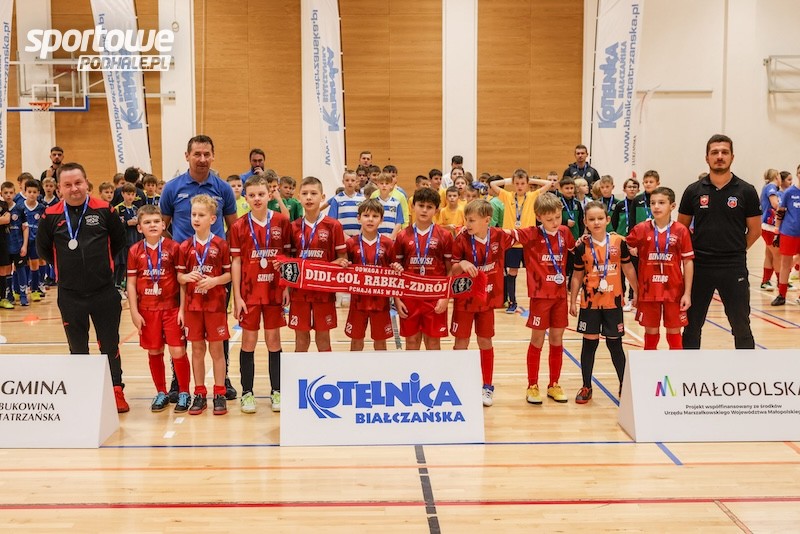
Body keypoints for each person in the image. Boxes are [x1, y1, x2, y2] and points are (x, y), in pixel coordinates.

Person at [36, 162, 129, 412]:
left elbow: (118, 241)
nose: (74, 188)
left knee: (109, 345)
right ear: (59, 188)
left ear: (87, 183)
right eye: (67, 185)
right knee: (77, 348)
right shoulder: (50, 215)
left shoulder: (105, 210)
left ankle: (116, 390)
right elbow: (43, 250)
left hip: (104, 292)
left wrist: (100, 267)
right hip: (70, 295)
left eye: (78, 183)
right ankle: (84, 393)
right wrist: (67, 268)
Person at [159, 135, 239, 399]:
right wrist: (180, 252)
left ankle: (223, 380)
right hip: (184, 271)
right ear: (187, 156)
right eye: (197, 154)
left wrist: (221, 255)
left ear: (213, 156)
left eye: (207, 154)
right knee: (181, 326)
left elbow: (234, 227)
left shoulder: (223, 188)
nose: (202, 159)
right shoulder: (172, 188)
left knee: (218, 328)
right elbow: (161, 226)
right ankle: (178, 380)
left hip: (216, 272)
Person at [677, 134, 761, 349]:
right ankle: (688, 368)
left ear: (732, 157)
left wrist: (736, 249)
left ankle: (747, 368)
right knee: (692, 325)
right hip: (700, 266)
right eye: (715, 152)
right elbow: (681, 229)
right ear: (707, 158)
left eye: (724, 152)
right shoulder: (693, 190)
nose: (720, 156)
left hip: (733, 266)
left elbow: (755, 230)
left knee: (741, 325)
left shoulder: (746, 191)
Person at [229, 176, 291, 413]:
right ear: (246, 197)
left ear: (269, 195)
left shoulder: (281, 222)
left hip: (274, 290)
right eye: (252, 195)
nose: (257, 199)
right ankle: (247, 393)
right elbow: (236, 262)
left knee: (274, 340)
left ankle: (277, 390)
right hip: (249, 292)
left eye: (261, 194)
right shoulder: (238, 226)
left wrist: (286, 287)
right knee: (249, 341)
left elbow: (287, 258)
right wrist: (237, 296)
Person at [569, 201, 638, 403]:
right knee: (589, 344)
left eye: (600, 218)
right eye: (591, 219)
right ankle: (586, 386)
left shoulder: (618, 242)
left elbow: (628, 269)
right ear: (585, 222)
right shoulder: (581, 246)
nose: (596, 222)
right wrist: (572, 301)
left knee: (615, 345)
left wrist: (637, 292)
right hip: (589, 304)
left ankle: (625, 384)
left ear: (608, 219)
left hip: (613, 303)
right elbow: (576, 275)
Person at [126, 205, 191, 413]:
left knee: (178, 350)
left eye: (156, 221)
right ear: (139, 228)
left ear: (164, 225)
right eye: (147, 222)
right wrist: (134, 312)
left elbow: (182, 281)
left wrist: (182, 309)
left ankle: (184, 392)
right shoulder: (134, 251)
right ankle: (161, 391)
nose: (152, 225)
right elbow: (131, 283)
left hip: (171, 308)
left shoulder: (174, 248)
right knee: (155, 350)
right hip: (147, 310)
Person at [513, 193, 576, 405]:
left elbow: (577, 251)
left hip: (560, 296)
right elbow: (503, 234)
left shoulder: (565, 232)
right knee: (537, 340)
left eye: (558, 217)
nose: (555, 222)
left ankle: (554, 384)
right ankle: (532, 385)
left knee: (557, 339)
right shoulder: (531, 233)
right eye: (549, 219)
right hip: (540, 297)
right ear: (539, 217)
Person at [450, 199, 514, 406]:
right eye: (466, 219)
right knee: (461, 342)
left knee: (485, 341)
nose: (467, 224)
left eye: (472, 220)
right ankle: (458, 384)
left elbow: (524, 235)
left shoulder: (498, 235)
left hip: (487, 300)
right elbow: (452, 269)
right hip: (464, 300)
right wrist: (462, 263)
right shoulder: (461, 239)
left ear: (487, 220)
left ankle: (487, 386)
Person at [176, 194, 232, 415]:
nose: (196, 219)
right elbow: (180, 278)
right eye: (193, 215)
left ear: (212, 219)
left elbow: (229, 275)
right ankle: (199, 393)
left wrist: (214, 281)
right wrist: (186, 277)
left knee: (217, 350)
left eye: (201, 215)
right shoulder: (184, 246)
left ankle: (219, 393)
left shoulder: (221, 244)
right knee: (197, 350)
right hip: (193, 307)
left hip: (215, 306)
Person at [626, 187, 694, 349]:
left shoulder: (681, 230)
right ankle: (650, 364)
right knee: (651, 333)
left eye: (661, 203)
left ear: (672, 206)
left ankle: (676, 364)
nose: (656, 206)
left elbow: (688, 262)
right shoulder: (641, 229)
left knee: (674, 332)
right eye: (653, 203)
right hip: (649, 291)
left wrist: (687, 293)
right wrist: (630, 248)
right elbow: (623, 244)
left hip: (674, 291)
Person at [288, 176, 348, 352]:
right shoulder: (293, 227)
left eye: (313, 193)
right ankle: (300, 371)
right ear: (299, 197)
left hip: (324, 293)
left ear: (322, 197)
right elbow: (288, 261)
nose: (309, 197)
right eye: (305, 193)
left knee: (323, 340)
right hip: (299, 293)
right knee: (301, 340)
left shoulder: (333, 226)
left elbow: (342, 258)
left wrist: (320, 270)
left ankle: (326, 371)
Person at [393, 187, 453, 350]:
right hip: (409, 297)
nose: (424, 210)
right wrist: (397, 299)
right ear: (413, 206)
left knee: (433, 342)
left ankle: (434, 370)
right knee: (411, 342)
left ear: (436, 210)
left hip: (434, 297)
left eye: (429, 207)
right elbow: (396, 272)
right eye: (421, 205)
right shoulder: (402, 236)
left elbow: (450, 270)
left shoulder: (445, 236)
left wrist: (445, 297)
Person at [490, 169, 555, 313]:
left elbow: (548, 183)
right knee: (512, 271)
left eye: (523, 183)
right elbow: (493, 184)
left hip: (528, 241)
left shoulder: (532, 196)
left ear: (527, 184)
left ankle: (537, 299)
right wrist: (509, 180)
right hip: (512, 241)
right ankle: (512, 302)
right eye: (517, 183)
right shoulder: (507, 196)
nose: (520, 186)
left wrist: (531, 180)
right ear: (513, 184)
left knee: (534, 271)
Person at [344, 199, 397, 351]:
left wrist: (396, 268)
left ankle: (380, 367)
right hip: (358, 301)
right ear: (359, 218)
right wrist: (344, 264)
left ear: (381, 219)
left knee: (380, 342)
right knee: (356, 341)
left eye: (375, 216)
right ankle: (355, 366)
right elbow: (344, 270)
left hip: (381, 302)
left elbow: (394, 271)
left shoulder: (388, 244)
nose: (370, 219)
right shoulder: (351, 243)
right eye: (366, 215)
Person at [771, 165, 800, 306]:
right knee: (785, 263)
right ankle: (782, 295)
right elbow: (780, 211)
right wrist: (777, 230)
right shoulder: (789, 192)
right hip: (789, 232)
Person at [20, 179, 48, 301]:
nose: (32, 194)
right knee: (22, 264)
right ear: (25, 192)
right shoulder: (20, 207)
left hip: (36, 241)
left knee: (35, 264)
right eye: (29, 191)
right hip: (23, 242)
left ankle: (35, 289)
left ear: (38, 193)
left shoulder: (42, 208)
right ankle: (22, 288)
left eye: (34, 192)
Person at [114, 183, 143, 297]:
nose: (130, 197)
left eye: (132, 194)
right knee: (121, 264)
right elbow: (115, 225)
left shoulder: (136, 209)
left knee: (132, 265)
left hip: (134, 240)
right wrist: (126, 223)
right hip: (123, 241)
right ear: (122, 194)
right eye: (128, 194)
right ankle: (117, 286)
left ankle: (128, 287)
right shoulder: (118, 208)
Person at [759, 168, 782, 291]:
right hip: (770, 226)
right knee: (778, 255)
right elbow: (775, 204)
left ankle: (765, 281)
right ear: (776, 176)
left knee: (770, 254)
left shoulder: (768, 187)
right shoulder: (771, 187)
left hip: (767, 226)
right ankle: (781, 281)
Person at [326, 169, 365, 237]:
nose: (350, 183)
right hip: (341, 237)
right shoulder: (336, 199)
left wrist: (360, 234)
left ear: (357, 182)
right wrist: (343, 236)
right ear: (343, 182)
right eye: (347, 180)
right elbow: (332, 221)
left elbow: (365, 219)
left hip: (359, 237)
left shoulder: (363, 199)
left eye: (352, 180)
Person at [373, 173, 404, 239]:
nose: (384, 185)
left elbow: (399, 223)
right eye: (381, 183)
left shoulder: (396, 203)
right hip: (377, 238)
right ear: (377, 185)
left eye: (387, 183)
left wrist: (391, 238)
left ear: (391, 185)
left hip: (392, 238)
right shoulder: (374, 203)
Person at [0, 182, 13, 309]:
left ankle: (3, 298)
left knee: (3, 270)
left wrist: (3, 219)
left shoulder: (3, 204)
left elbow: (6, 219)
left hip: (2, 241)